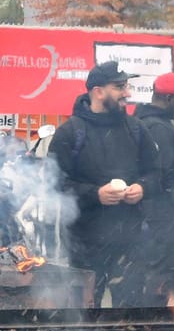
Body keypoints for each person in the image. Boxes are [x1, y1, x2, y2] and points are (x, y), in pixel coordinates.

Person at [49, 61, 159, 300]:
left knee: (129, 315)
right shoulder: (70, 132)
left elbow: (158, 173)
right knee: (85, 313)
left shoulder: (137, 129)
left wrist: (143, 187)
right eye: (120, 87)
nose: (127, 93)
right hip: (85, 241)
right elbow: (55, 184)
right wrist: (95, 194)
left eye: (127, 86)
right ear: (98, 92)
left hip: (130, 240)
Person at [121, 71, 174, 304]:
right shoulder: (160, 129)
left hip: (141, 216)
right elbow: (166, 176)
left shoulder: (138, 122)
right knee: (158, 278)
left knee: (137, 271)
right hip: (159, 218)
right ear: (167, 98)